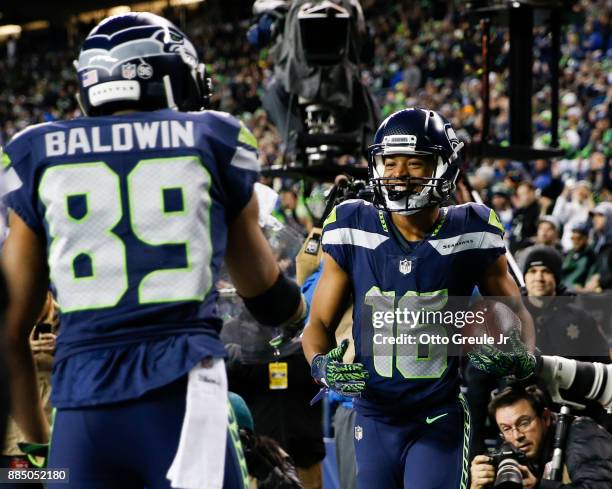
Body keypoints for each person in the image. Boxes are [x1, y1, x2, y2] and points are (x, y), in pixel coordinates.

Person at [1, 12, 305, 489]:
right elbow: (265, 293)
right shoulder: (211, 137)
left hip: (81, 412)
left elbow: (9, 332)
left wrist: (43, 453)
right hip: (183, 397)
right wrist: (298, 307)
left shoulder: (37, 152)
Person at [302, 108, 536, 489]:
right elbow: (318, 326)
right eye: (389, 162)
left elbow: (517, 315)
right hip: (373, 416)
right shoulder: (351, 224)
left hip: (436, 415)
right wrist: (321, 366)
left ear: (443, 168)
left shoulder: (471, 228)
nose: (399, 174)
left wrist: (519, 354)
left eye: (415, 163)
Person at [470, 384, 612, 489]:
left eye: (524, 423)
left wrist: (539, 486)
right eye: (506, 429)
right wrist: (477, 486)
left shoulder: (581, 433)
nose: (517, 436)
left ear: (545, 418)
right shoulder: (511, 454)